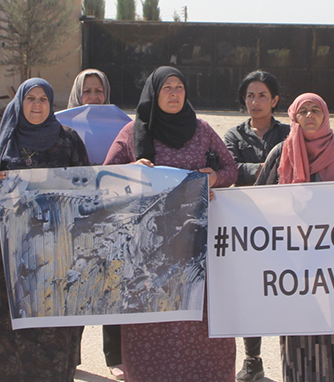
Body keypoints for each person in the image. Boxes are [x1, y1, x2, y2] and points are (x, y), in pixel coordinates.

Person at [103, 66, 238, 382]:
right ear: (154, 93)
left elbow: (231, 167)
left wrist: (215, 178)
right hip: (148, 256)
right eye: (167, 88)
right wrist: (132, 171)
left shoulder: (202, 129)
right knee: (153, 323)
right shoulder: (132, 134)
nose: (175, 93)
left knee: (200, 322)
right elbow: (106, 178)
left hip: (196, 251)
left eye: (179, 87)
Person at [254, 93, 334, 382]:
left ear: (325, 114)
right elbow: (256, 204)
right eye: (303, 111)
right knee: (302, 338)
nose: (309, 116)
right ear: (293, 116)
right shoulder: (282, 154)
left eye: (315, 110)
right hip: (297, 268)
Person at [0, 78, 90, 382]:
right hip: (15, 250)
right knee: (13, 319)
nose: (37, 104)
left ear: (51, 104)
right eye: (30, 98)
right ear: (20, 103)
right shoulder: (8, 140)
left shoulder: (68, 140)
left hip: (57, 250)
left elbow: (86, 188)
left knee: (53, 319)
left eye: (44, 99)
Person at [222, 70, 289, 381]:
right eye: (250, 95)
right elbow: (230, 170)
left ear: (274, 100)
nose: (255, 101)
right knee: (250, 292)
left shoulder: (291, 133)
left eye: (262, 95)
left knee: (289, 290)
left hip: (287, 224)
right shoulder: (233, 136)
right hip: (247, 226)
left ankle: (293, 359)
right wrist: (268, 166)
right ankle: (253, 359)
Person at [66, 68, 124, 379]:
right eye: (87, 91)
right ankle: (70, 355)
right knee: (75, 285)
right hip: (75, 217)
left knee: (112, 284)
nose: (93, 96)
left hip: (113, 214)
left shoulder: (124, 125)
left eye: (98, 90)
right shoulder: (60, 127)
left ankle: (115, 356)